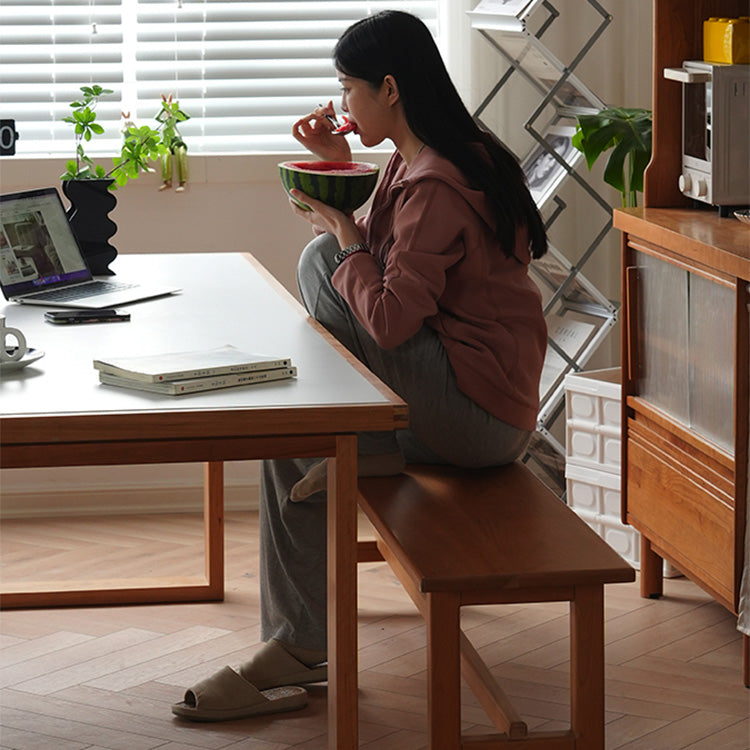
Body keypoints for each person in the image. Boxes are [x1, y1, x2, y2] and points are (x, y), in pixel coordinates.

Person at [172, 9, 548, 723]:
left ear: (390, 87)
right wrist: (335, 169)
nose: (343, 106)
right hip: (463, 400)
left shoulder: (436, 180)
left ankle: (369, 448)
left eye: (348, 90)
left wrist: (341, 231)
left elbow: (384, 316)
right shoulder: (427, 155)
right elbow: (385, 261)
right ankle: (297, 645)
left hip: (479, 420)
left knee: (323, 259)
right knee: (296, 435)